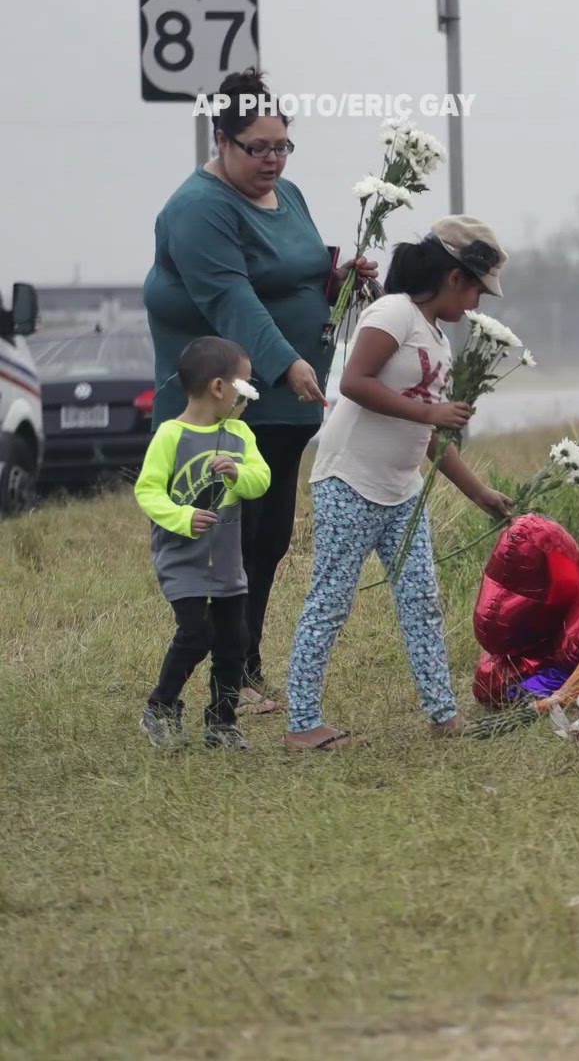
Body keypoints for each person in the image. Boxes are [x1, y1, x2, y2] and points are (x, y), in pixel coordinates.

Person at [142, 68, 379, 719]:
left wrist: (340, 282)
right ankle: (219, 684)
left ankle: (243, 665)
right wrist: (287, 364)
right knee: (223, 546)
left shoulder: (291, 194)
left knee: (267, 540)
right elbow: (231, 298)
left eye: (282, 146)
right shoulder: (198, 209)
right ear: (221, 140)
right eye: (258, 147)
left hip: (282, 408)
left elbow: (295, 275)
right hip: (220, 407)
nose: (273, 160)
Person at [279, 217, 515, 750]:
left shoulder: (439, 340)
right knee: (331, 601)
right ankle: (302, 725)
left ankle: (443, 716)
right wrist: (430, 415)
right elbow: (353, 383)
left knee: (421, 600)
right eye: (477, 289)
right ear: (455, 277)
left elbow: (430, 435)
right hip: (350, 481)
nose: (477, 304)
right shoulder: (392, 312)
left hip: (401, 489)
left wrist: (479, 493)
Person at [133, 336, 272, 749]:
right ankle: (161, 707)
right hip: (182, 560)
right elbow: (148, 491)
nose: (249, 394)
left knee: (235, 641)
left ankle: (222, 723)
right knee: (195, 634)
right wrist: (183, 517)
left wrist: (237, 475)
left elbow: (260, 480)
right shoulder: (170, 436)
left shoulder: (242, 434)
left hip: (228, 563)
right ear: (218, 388)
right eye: (244, 384)